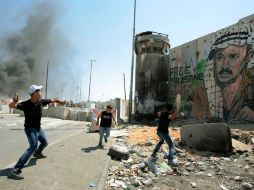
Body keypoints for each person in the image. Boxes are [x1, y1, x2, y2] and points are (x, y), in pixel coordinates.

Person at [192, 25, 254, 122]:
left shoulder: (251, 88)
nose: (224, 66)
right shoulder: (202, 94)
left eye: (233, 57)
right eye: (220, 57)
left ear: (248, 55)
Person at [8, 84, 66, 180]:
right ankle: (16, 169)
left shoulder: (41, 102)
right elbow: (11, 105)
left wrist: (61, 101)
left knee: (44, 142)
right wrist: (14, 101)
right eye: (39, 91)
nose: (41, 93)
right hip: (30, 129)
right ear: (34, 93)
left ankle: (38, 153)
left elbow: (53, 99)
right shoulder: (25, 104)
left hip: (38, 128)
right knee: (33, 145)